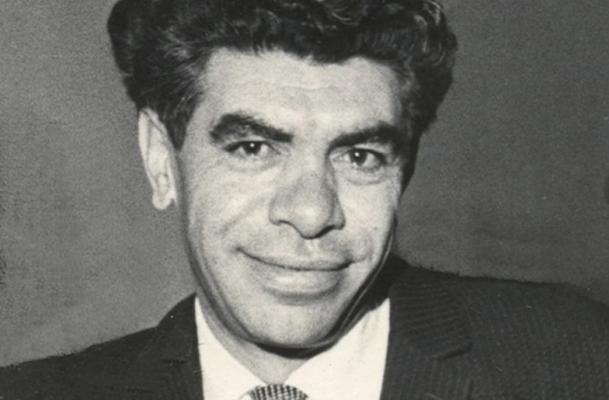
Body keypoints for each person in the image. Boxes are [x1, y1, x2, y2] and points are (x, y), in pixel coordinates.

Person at [2, 0, 609, 399]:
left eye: (360, 156)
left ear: (406, 170)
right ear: (162, 159)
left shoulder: (577, 362)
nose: (312, 212)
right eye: (253, 148)